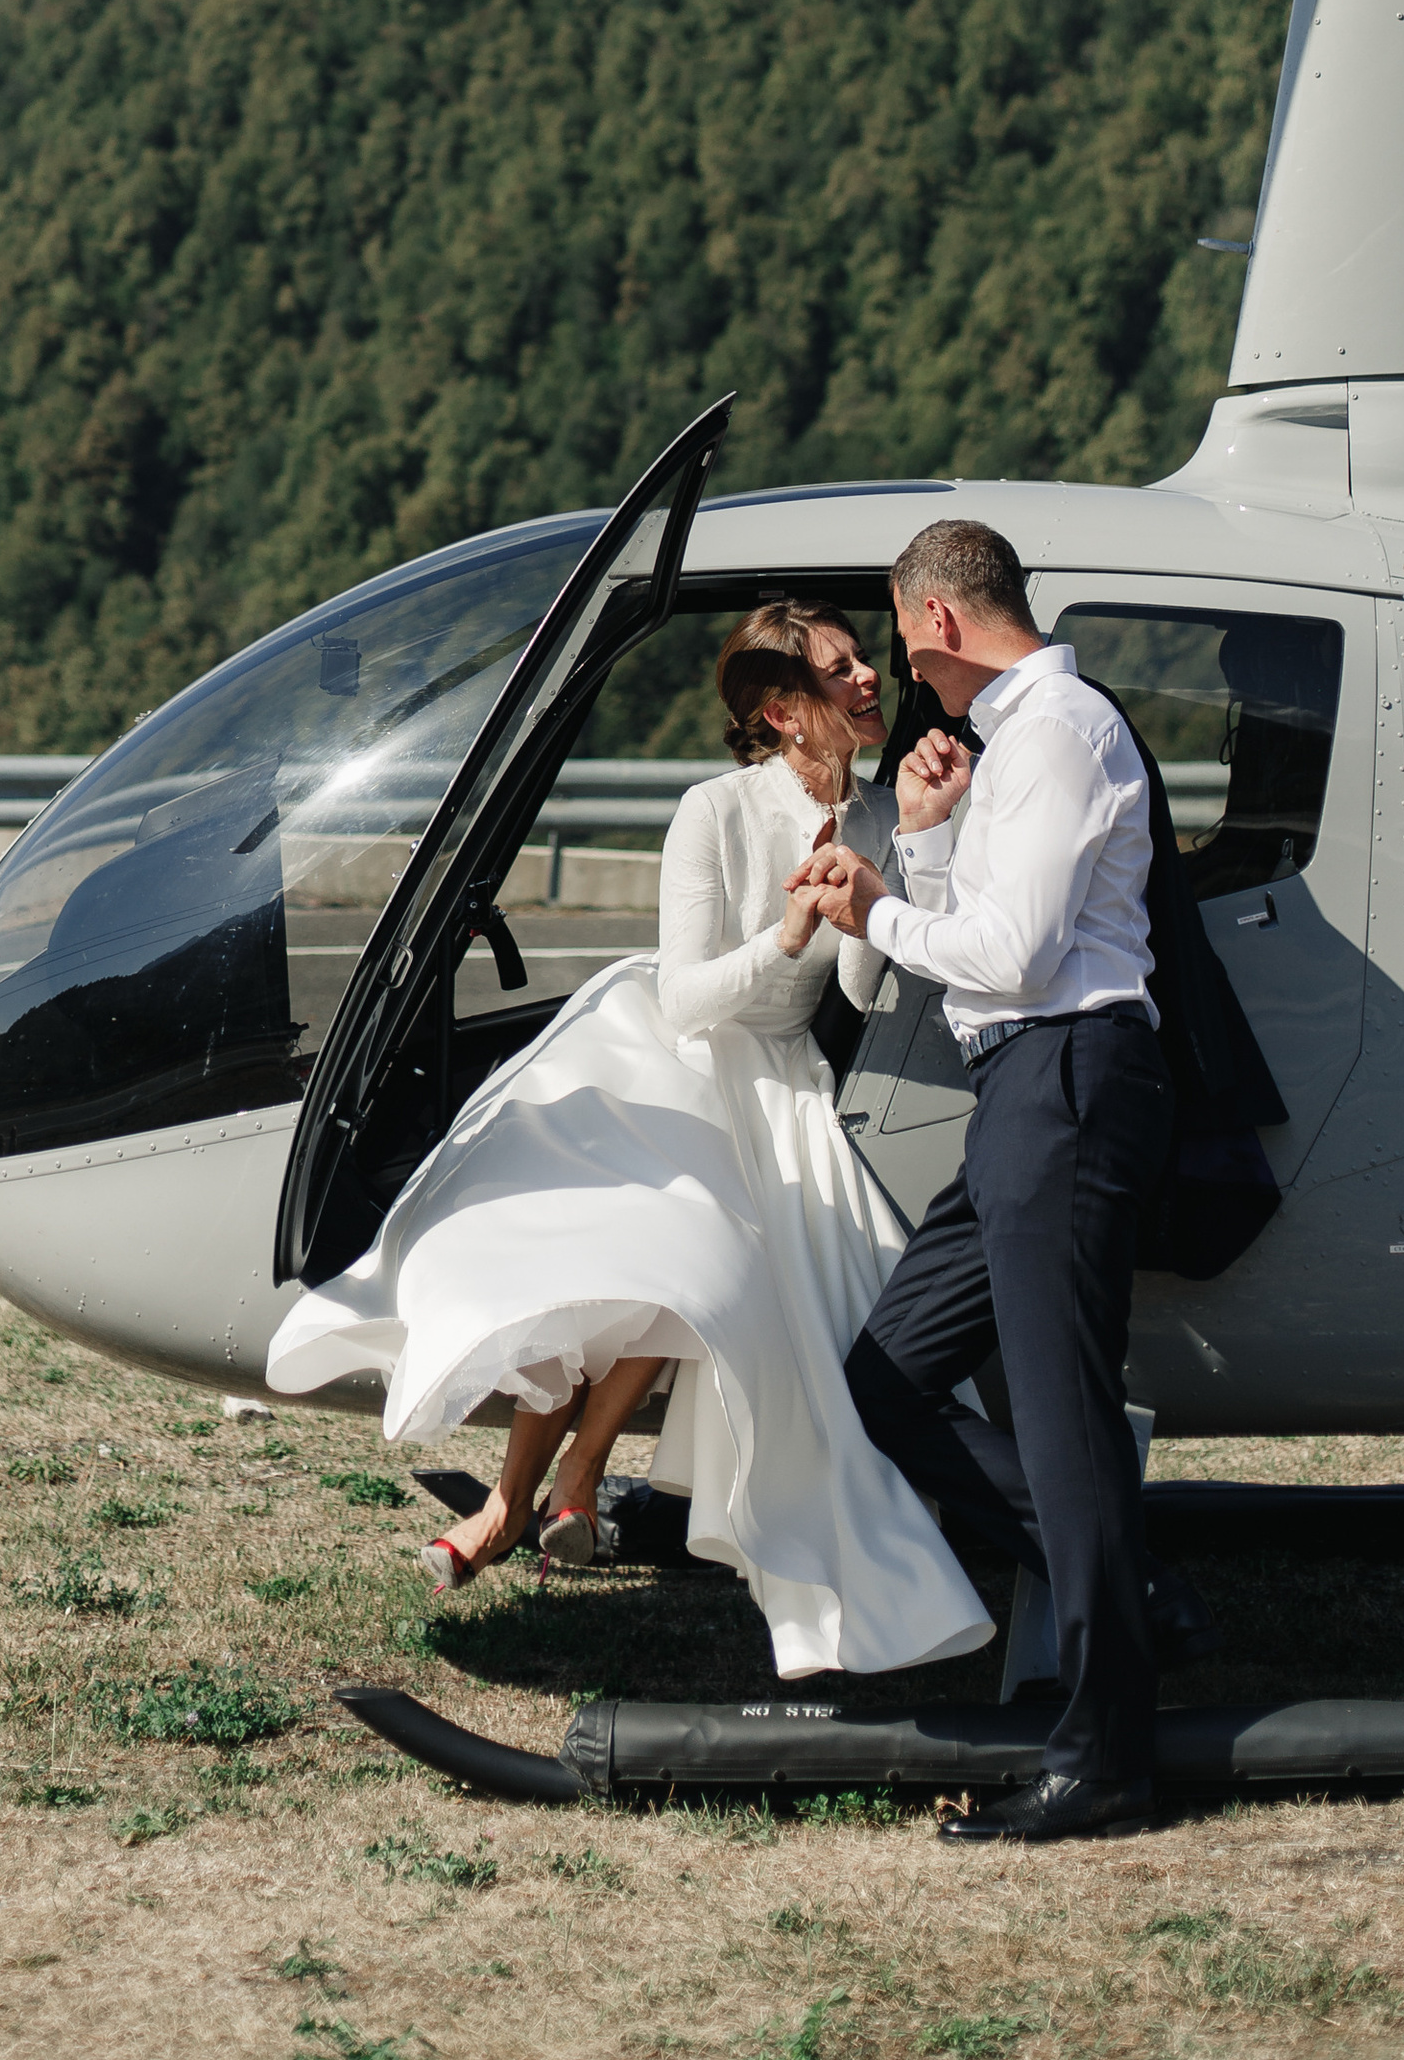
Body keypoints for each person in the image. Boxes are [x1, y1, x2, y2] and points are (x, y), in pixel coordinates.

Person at [264, 600, 993, 1681]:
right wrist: (785, 929)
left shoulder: (882, 810)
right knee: (620, 1263)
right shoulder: (712, 809)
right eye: (843, 671)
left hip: (781, 1081)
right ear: (787, 712)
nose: (870, 682)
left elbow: (856, 987)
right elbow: (692, 997)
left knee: (710, 1272)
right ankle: (525, 1493)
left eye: (861, 664)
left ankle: (571, 1484)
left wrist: (893, 868)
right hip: (668, 1056)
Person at [798, 516, 1174, 1840]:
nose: (908, 677)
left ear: (939, 620)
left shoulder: (1061, 733)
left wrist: (870, 912)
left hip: (1065, 1083)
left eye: (905, 647)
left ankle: (1108, 1753)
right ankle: (1127, 1597)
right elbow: (986, 945)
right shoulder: (1017, 747)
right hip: (1024, 1093)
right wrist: (929, 836)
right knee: (886, 1377)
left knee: (1064, 1416)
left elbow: (1013, 958)